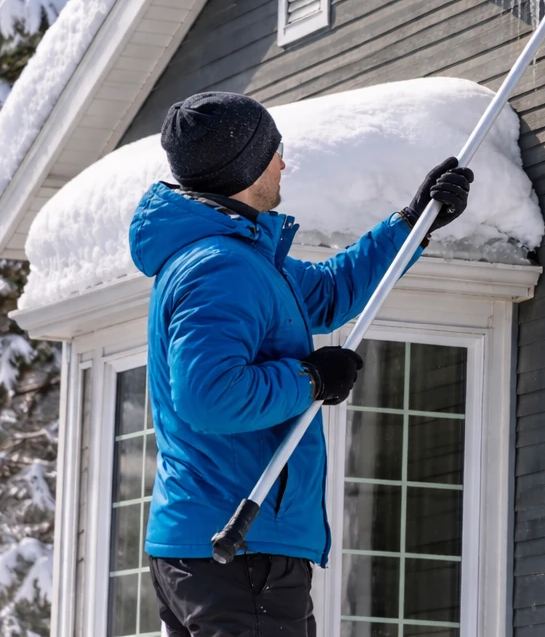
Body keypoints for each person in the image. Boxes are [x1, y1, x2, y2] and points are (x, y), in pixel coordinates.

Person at [128, 91, 474, 637]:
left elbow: (332, 292)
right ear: (243, 163)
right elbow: (209, 395)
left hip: (218, 546)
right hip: (239, 546)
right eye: (275, 151)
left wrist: (413, 223)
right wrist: (311, 379)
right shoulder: (220, 268)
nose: (284, 162)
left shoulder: (243, 259)